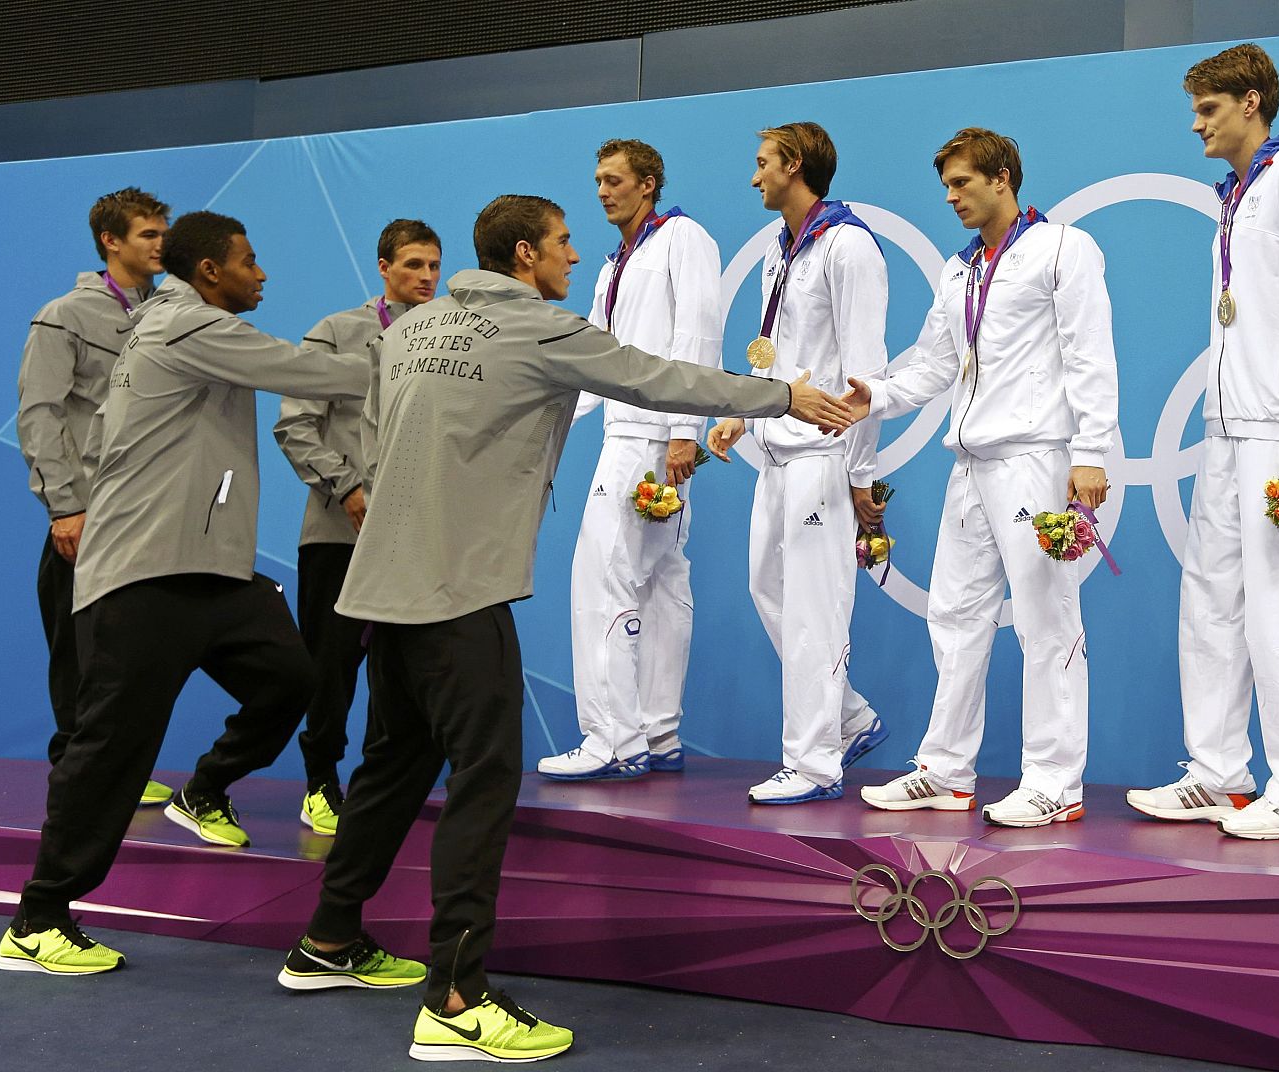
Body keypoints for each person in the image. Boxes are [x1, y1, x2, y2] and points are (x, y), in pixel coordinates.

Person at [282, 194, 855, 1064]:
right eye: (560, 243)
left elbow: (373, 445)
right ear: (524, 256)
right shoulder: (542, 330)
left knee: (393, 767)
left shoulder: (405, 331)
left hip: (381, 591)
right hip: (457, 594)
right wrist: (786, 395)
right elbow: (662, 377)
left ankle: (327, 940)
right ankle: (458, 998)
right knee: (485, 778)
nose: (574, 256)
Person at [0, 210, 374, 978]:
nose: (261, 273)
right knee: (110, 746)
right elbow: (319, 373)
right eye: (249, 260)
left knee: (292, 677)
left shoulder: (178, 325)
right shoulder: (188, 327)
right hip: (144, 572)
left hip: (210, 573)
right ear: (210, 273)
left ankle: (203, 791)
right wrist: (435, 357)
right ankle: (39, 919)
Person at [851, 128, 1119, 828]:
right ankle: (945, 770)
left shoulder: (1062, 248)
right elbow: (934, 365)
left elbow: (1091, 355)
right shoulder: (958, 270)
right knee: (955, 616)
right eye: (946, 185)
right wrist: (870, 395)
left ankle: (1056, 781)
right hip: (970, 463)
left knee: (1046, 622)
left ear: (1003, 178)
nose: (951, 197)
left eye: (962, 182)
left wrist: (1092, 451)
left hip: (1037, 457)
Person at [1125, 43, 1279, 840]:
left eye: (1208, 109)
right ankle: (1219, 773)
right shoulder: (1236, 194)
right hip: (1227, 429)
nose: (1196, 125)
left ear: (1252, 102)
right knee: (1211, 604)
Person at [707, 121, 891, 805]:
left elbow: (866, 365)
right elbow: (774, 353)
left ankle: (814, 763)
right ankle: (848, 716)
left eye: (762, 164)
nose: (754, 177)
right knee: (769, 590)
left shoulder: (849, 247)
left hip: (823, 452)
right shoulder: (778, 251)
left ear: (796, 165)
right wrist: (742, 411)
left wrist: (861, 472)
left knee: (816, 611)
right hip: (777, 448)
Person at [539, 139, 722, 780]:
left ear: (648, 183)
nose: (602, 191)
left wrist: (682, 429)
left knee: (602, 581)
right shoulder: (616, 260)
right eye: (596, 181)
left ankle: (611, 740)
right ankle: (658, 730)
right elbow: (593, 358)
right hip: (627, 429)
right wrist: (550, 421)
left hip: (649, 438)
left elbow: (698, 330)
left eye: (614, 180)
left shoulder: (683, 237)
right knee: (662, 584)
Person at [274, 219, 443, 833]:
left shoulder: (445, 338)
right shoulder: (337, 332)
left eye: (433, 266)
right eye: (413, 265)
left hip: (413, 537)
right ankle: (320, 783)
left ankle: (380, 786)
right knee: (331, 664)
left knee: (402, 668)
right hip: (337, 534)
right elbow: (295, 424)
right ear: (382, 266)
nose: (426, 278)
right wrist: (347, 487)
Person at [15, 187, 175, 807]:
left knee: (130, 654)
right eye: (148, 234)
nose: (162, 244)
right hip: (85, 517)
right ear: (111, 241)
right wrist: (64, 507)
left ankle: (116, 769)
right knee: (79, 652)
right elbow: (39, 415)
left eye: (164, 233)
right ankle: (75, 773)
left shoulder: (170, 314)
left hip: (148, 516)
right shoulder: (66, 315)